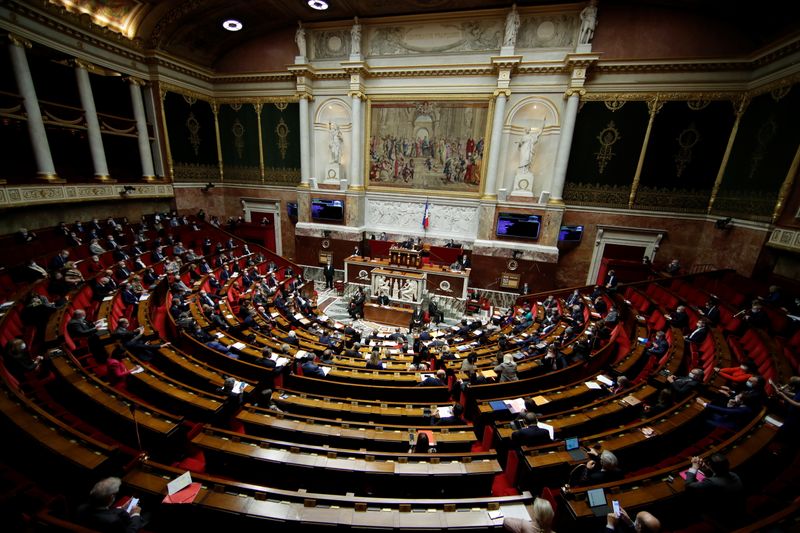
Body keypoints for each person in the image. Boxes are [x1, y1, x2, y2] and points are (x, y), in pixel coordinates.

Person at [685, 453, 745, 527]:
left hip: (723, 516)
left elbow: (689, 486)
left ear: (710, 464)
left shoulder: (711, 483)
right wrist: (706, 469)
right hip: (737, 508)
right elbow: (720, 475)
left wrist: (694, 467)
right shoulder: (734, 475)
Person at [76, 477, 143, 533]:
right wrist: (136, 514)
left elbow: (104, 512)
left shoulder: (81, 508)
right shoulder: (113, 521)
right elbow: (130, 531)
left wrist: (121, 508)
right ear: (111, 497)